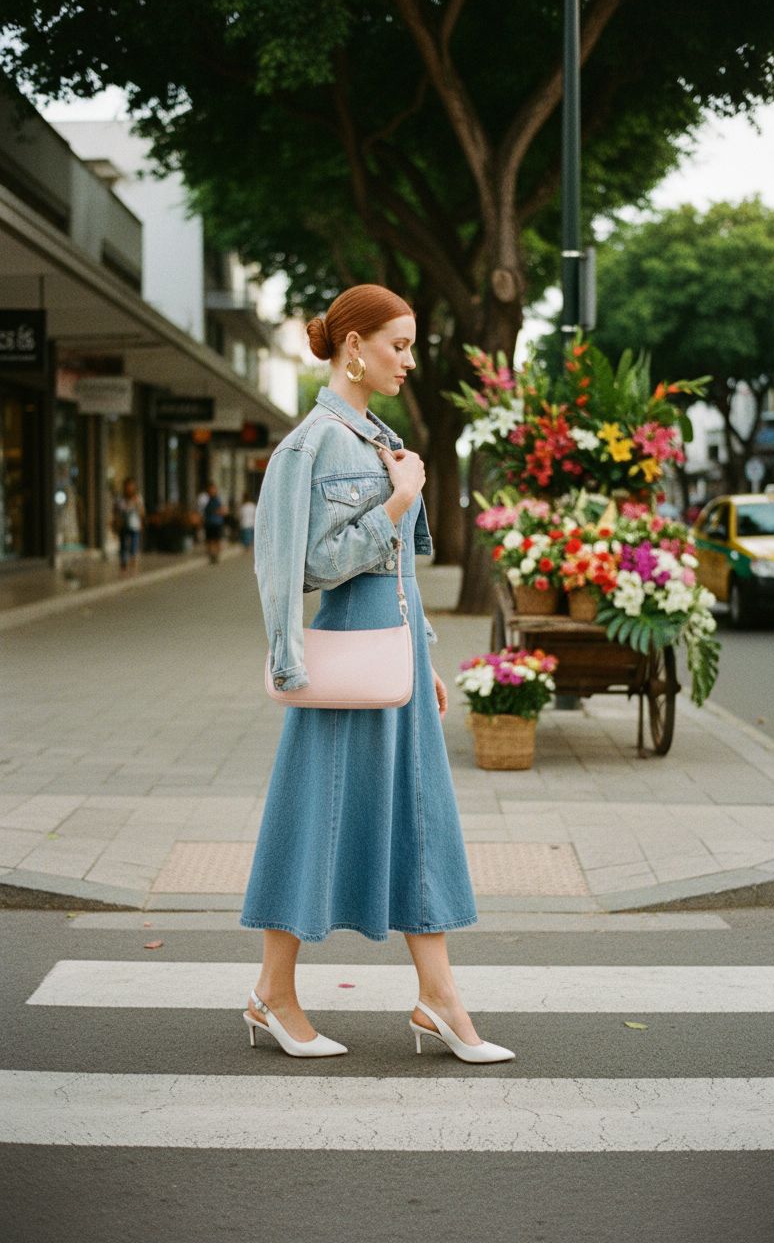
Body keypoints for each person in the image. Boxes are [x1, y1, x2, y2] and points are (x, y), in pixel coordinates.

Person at [240, 284, 514, 1064]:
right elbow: (307, 568)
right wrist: (397, 503)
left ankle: (439, 999)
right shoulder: (315, 442)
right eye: (398, 344)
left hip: (391, 660)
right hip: (345, 668)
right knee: (312, 824)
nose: (408, 360)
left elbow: (395, 576)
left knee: (420, 824)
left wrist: (421, 653)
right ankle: (274, 993)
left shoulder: (374, 436)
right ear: (352, 346)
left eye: (411, 344)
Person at [112, 477, 144, 575]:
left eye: (131, 486)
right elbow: (115, 510)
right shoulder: (120, 498)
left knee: (133, 546)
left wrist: (136, 506)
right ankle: (123, 565)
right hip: (123, 525)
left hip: (134, 525)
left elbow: (142, 511)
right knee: (123, 546)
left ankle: (133, 564)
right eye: (127, 486)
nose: (129, 488)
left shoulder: (137, 498)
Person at [202, 482, 226, 564]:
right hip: (209, 523)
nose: (212, 491)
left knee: (216, 540)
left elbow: (223, 510)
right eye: (210, 489)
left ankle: (215, 555)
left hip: (217, 523)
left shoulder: (218, 499)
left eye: (213, 489)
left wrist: (217, 511)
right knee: (209, 540)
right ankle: (211, 555)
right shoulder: (205, 499)